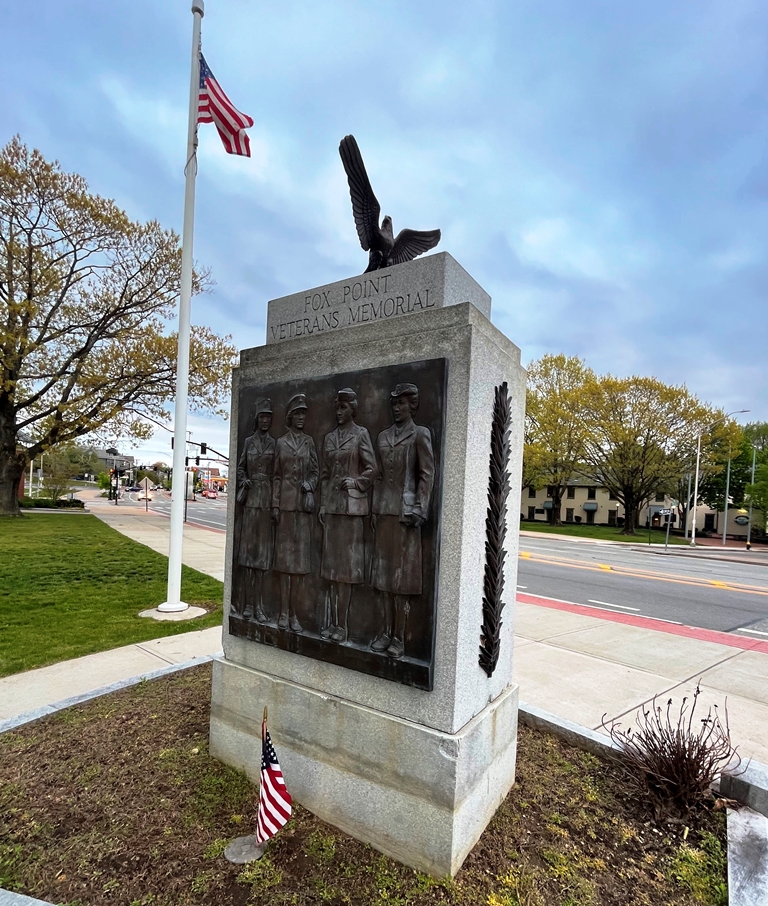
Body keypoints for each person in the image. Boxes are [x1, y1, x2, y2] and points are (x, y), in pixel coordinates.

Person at [370, 382, 435, 659]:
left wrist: (420, 508)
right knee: (383, 579)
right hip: (384, 511)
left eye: (402, 403)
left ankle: (399, 636)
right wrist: (374, 507)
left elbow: (426, 474)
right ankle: (385, 631)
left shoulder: (420, 434)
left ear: (412, 405)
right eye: (394, 404)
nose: (397, 408)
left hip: (406, 515)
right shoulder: (383, 437)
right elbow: (380, 476)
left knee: (401, 581)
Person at [318, 388, 378, 642]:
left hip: (351, 511)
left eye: (343, 408)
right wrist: (322, 504)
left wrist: (355, 482)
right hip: (332, 509)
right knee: (331, 571)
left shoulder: (361, 434)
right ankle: (332, 622)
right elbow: (324, 474)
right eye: (337, 408)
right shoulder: (330, 438)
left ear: (352, 409)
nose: (339, 412)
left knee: (345, 572)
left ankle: (342, 625)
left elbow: (372, 469)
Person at [272, 393, 318, 632]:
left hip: (303, 509)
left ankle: (295, 615)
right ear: (290, 416)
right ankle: (282, 612)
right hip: (287, 508)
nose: (301, 417)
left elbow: (315, 472)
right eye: (298, 414)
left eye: (304, 414)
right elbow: (277, 476)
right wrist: (276, 505)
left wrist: (310, 485)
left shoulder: (309, 442)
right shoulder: (281, 443)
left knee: (299, 567)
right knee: (284, 564)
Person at [235, 398, 276, 621]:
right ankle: (247, 605)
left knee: (261, 560)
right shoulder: (249, 442)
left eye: (269, 417)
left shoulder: (275, 444)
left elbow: (277, 474)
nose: (266, 421)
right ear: (257, 419)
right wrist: (244, 480)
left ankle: (259, 605)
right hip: (250, 504)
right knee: (249, 559)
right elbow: (240, 468)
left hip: (266, 503)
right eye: (262, 417)